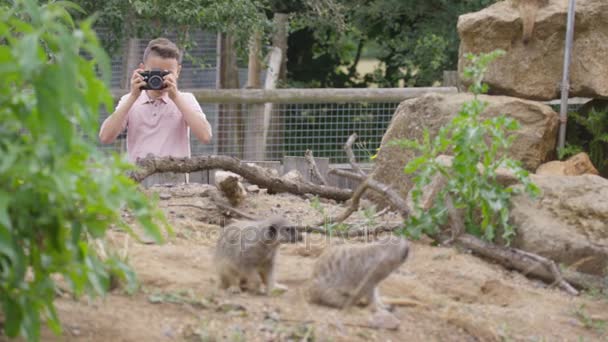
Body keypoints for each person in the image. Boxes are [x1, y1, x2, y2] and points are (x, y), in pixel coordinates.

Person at [99, 38, 212, 184]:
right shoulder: (130, 100)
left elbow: (205, 136)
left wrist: (176, 97)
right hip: (139, 178)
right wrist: (133, 96)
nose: (159, 79)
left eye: (167, 73)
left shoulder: (185, 99)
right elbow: (105, 137)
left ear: (178, 71)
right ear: (142, 69)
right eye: (154, 73)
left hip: (175, 179)